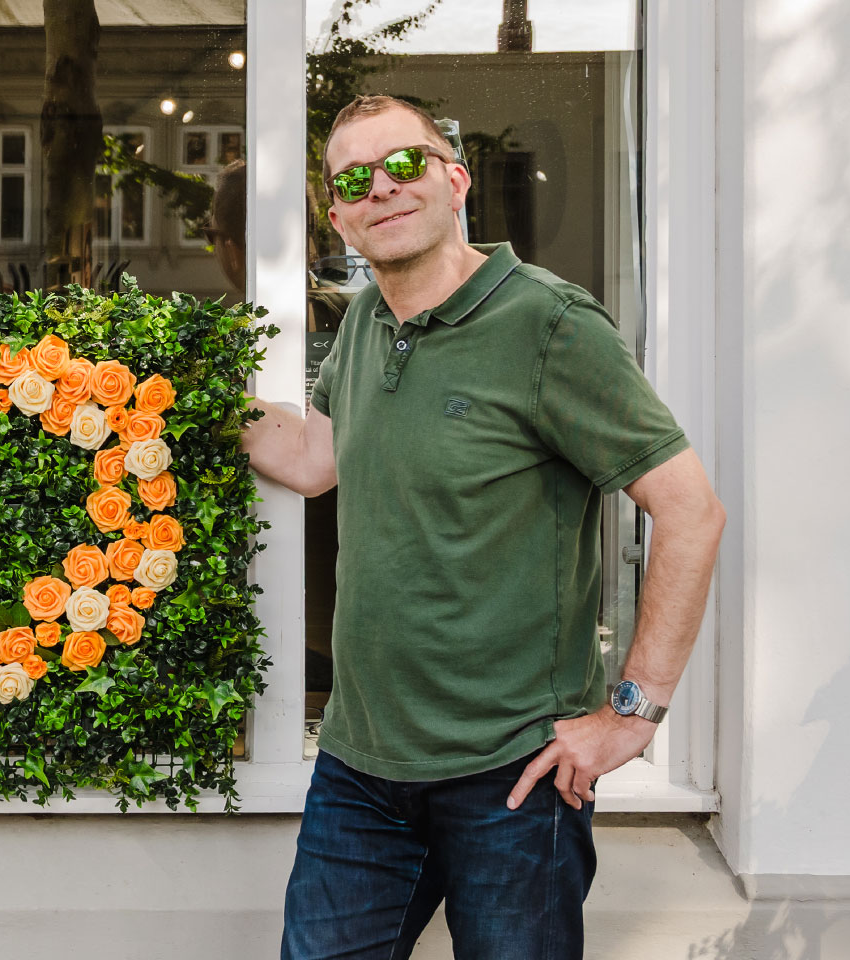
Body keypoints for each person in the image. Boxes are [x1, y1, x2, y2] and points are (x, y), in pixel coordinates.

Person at [241, 96, 727, 959]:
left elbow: (691, 510)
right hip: (360, 769)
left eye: (404, 164)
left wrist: (632, 715)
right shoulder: (364, 322)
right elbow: (315, 457)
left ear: (455, 180)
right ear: (338, 217)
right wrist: (177, 390)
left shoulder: (549, 325)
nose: (381, 189)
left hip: (512, 777)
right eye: (353, 180)